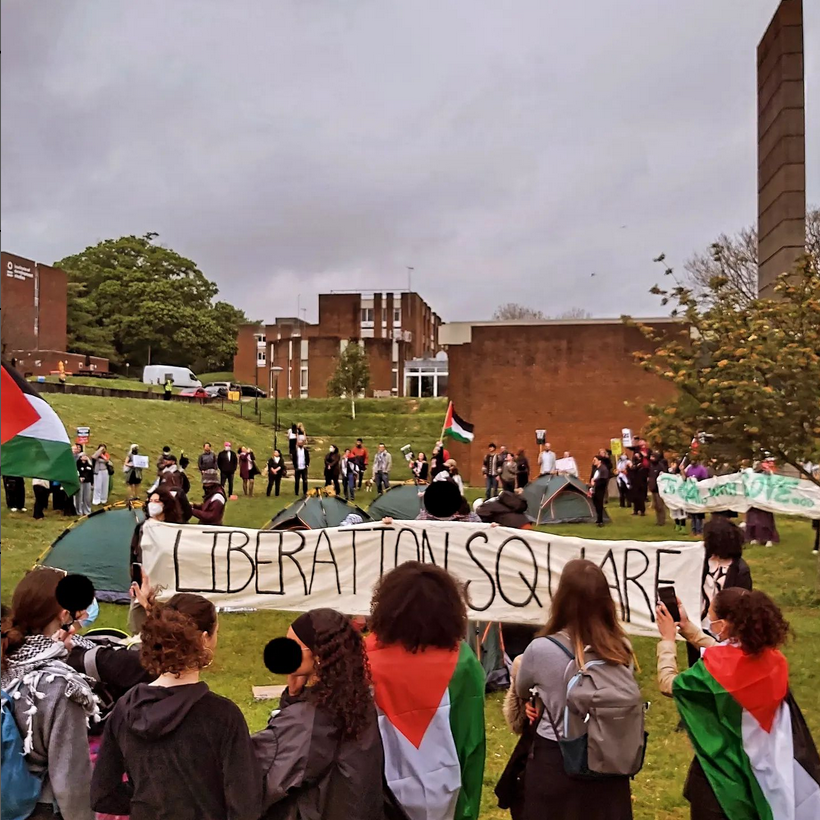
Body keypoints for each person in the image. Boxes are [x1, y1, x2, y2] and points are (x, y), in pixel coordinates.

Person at [91, 594, 263, 820]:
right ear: (203, 640)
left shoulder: (126, 707)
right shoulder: (223, 716)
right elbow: (245, 807)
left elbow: (103, 794)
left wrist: (148, 801)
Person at [655, 588, 816, 820]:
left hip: (722, 771)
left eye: (712, 619)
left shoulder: (713, 673)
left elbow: (670, 684)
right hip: (764, 766)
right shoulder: (773, 659)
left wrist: (667, 641)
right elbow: (726, 656)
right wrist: (688, 627)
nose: (710, 623)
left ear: (724, 625)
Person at [515, 559, 635, 820]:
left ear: (561, 599)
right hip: (609, 758)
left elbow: (522, 689)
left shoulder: (541, 649)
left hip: (556, 760)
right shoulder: (621, 647)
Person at [366, 562, 486, 820]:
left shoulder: (362, 660)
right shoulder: (463, 662)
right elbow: (471, 742)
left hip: (378, 793)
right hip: (444, 791)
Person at [252, 609, 385, 820]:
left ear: (319, 656)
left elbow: (255, 776)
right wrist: (294, 697)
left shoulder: (306, 720)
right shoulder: (358, 702)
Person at [2, 569, 100, 820]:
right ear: (65, 614)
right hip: (39, 807)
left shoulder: (6, 659)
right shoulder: (61, 685)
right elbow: (71, 778)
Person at [686, 459, 710, 535]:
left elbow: (705, 479)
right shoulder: (689, 468)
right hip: (691, 493)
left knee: (699, 513)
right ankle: (693, 530)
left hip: (699, 492)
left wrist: (697, 481)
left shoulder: (702, 469)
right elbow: (686, 477)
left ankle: (700, 530)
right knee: (692, 513)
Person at [648, 451, 669, 526]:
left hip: (659, 489)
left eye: (653, 457)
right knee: (656, 506)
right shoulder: (651, 466)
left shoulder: (660, 466)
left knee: (660, 506)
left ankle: (662, 520)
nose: (651, 458)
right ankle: (658, 520)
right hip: (653, 488)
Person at [589, 455, 610, 527]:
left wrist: (595, 482)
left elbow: (604, 480)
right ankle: (598, 519)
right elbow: (592, 476)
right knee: (596, 504)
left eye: (595, 460)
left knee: (599, 504)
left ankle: (601, 521)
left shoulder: (603, 469)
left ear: (599, 461)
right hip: (594, 488)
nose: (593, 461)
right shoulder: (595, 468)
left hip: (600, 489)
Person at [667, 458, 687, 532]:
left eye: (674, 464)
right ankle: (677, 525)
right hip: (673, 495)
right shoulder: (671, 474)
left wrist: (682, 470)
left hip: (680, 496)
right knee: (674, 510)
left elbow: (685, 478)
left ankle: (683, 527)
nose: (673, 465)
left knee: (681, 511)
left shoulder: (681, 475)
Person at [627, 451, 648, 517]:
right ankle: (635, 510)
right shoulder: (633, 465)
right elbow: (630, 472)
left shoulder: (641, 465)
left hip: (640, 484)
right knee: (635, 498)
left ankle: (642, 511)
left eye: (637, 456)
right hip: (634, 484)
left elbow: (642, 473)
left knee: (640, 498)